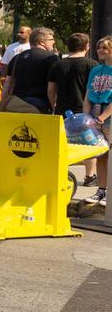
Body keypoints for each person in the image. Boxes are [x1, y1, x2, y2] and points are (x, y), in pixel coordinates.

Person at [49, 33, 98, 185]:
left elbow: (51, 89)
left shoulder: (58, 64)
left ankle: (61, 173)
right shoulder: (92, 65)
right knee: (88, 143)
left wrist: (53, 106)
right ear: (87, 46)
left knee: (63, 144)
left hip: (62, 109)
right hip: (84, 110)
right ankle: (90, 176)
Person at [2, 27, 59, 114]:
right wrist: (54, 107)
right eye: (51, 39)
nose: (53, 42)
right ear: (42, 42)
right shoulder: (51, 58)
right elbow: (51, 89)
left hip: (15, 105)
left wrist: (3, 104)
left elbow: (7, 85)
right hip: (39, 107)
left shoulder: (17, 58)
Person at [83, 36, 112, 205]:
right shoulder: (95, 70)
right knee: (101, 154)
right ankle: (101, 190)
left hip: (107, 114)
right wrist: (86, 117)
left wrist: (103, 117)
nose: (100, 50)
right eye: (98, 47)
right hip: (95, 112)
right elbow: (88, 96)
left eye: (104, 48)